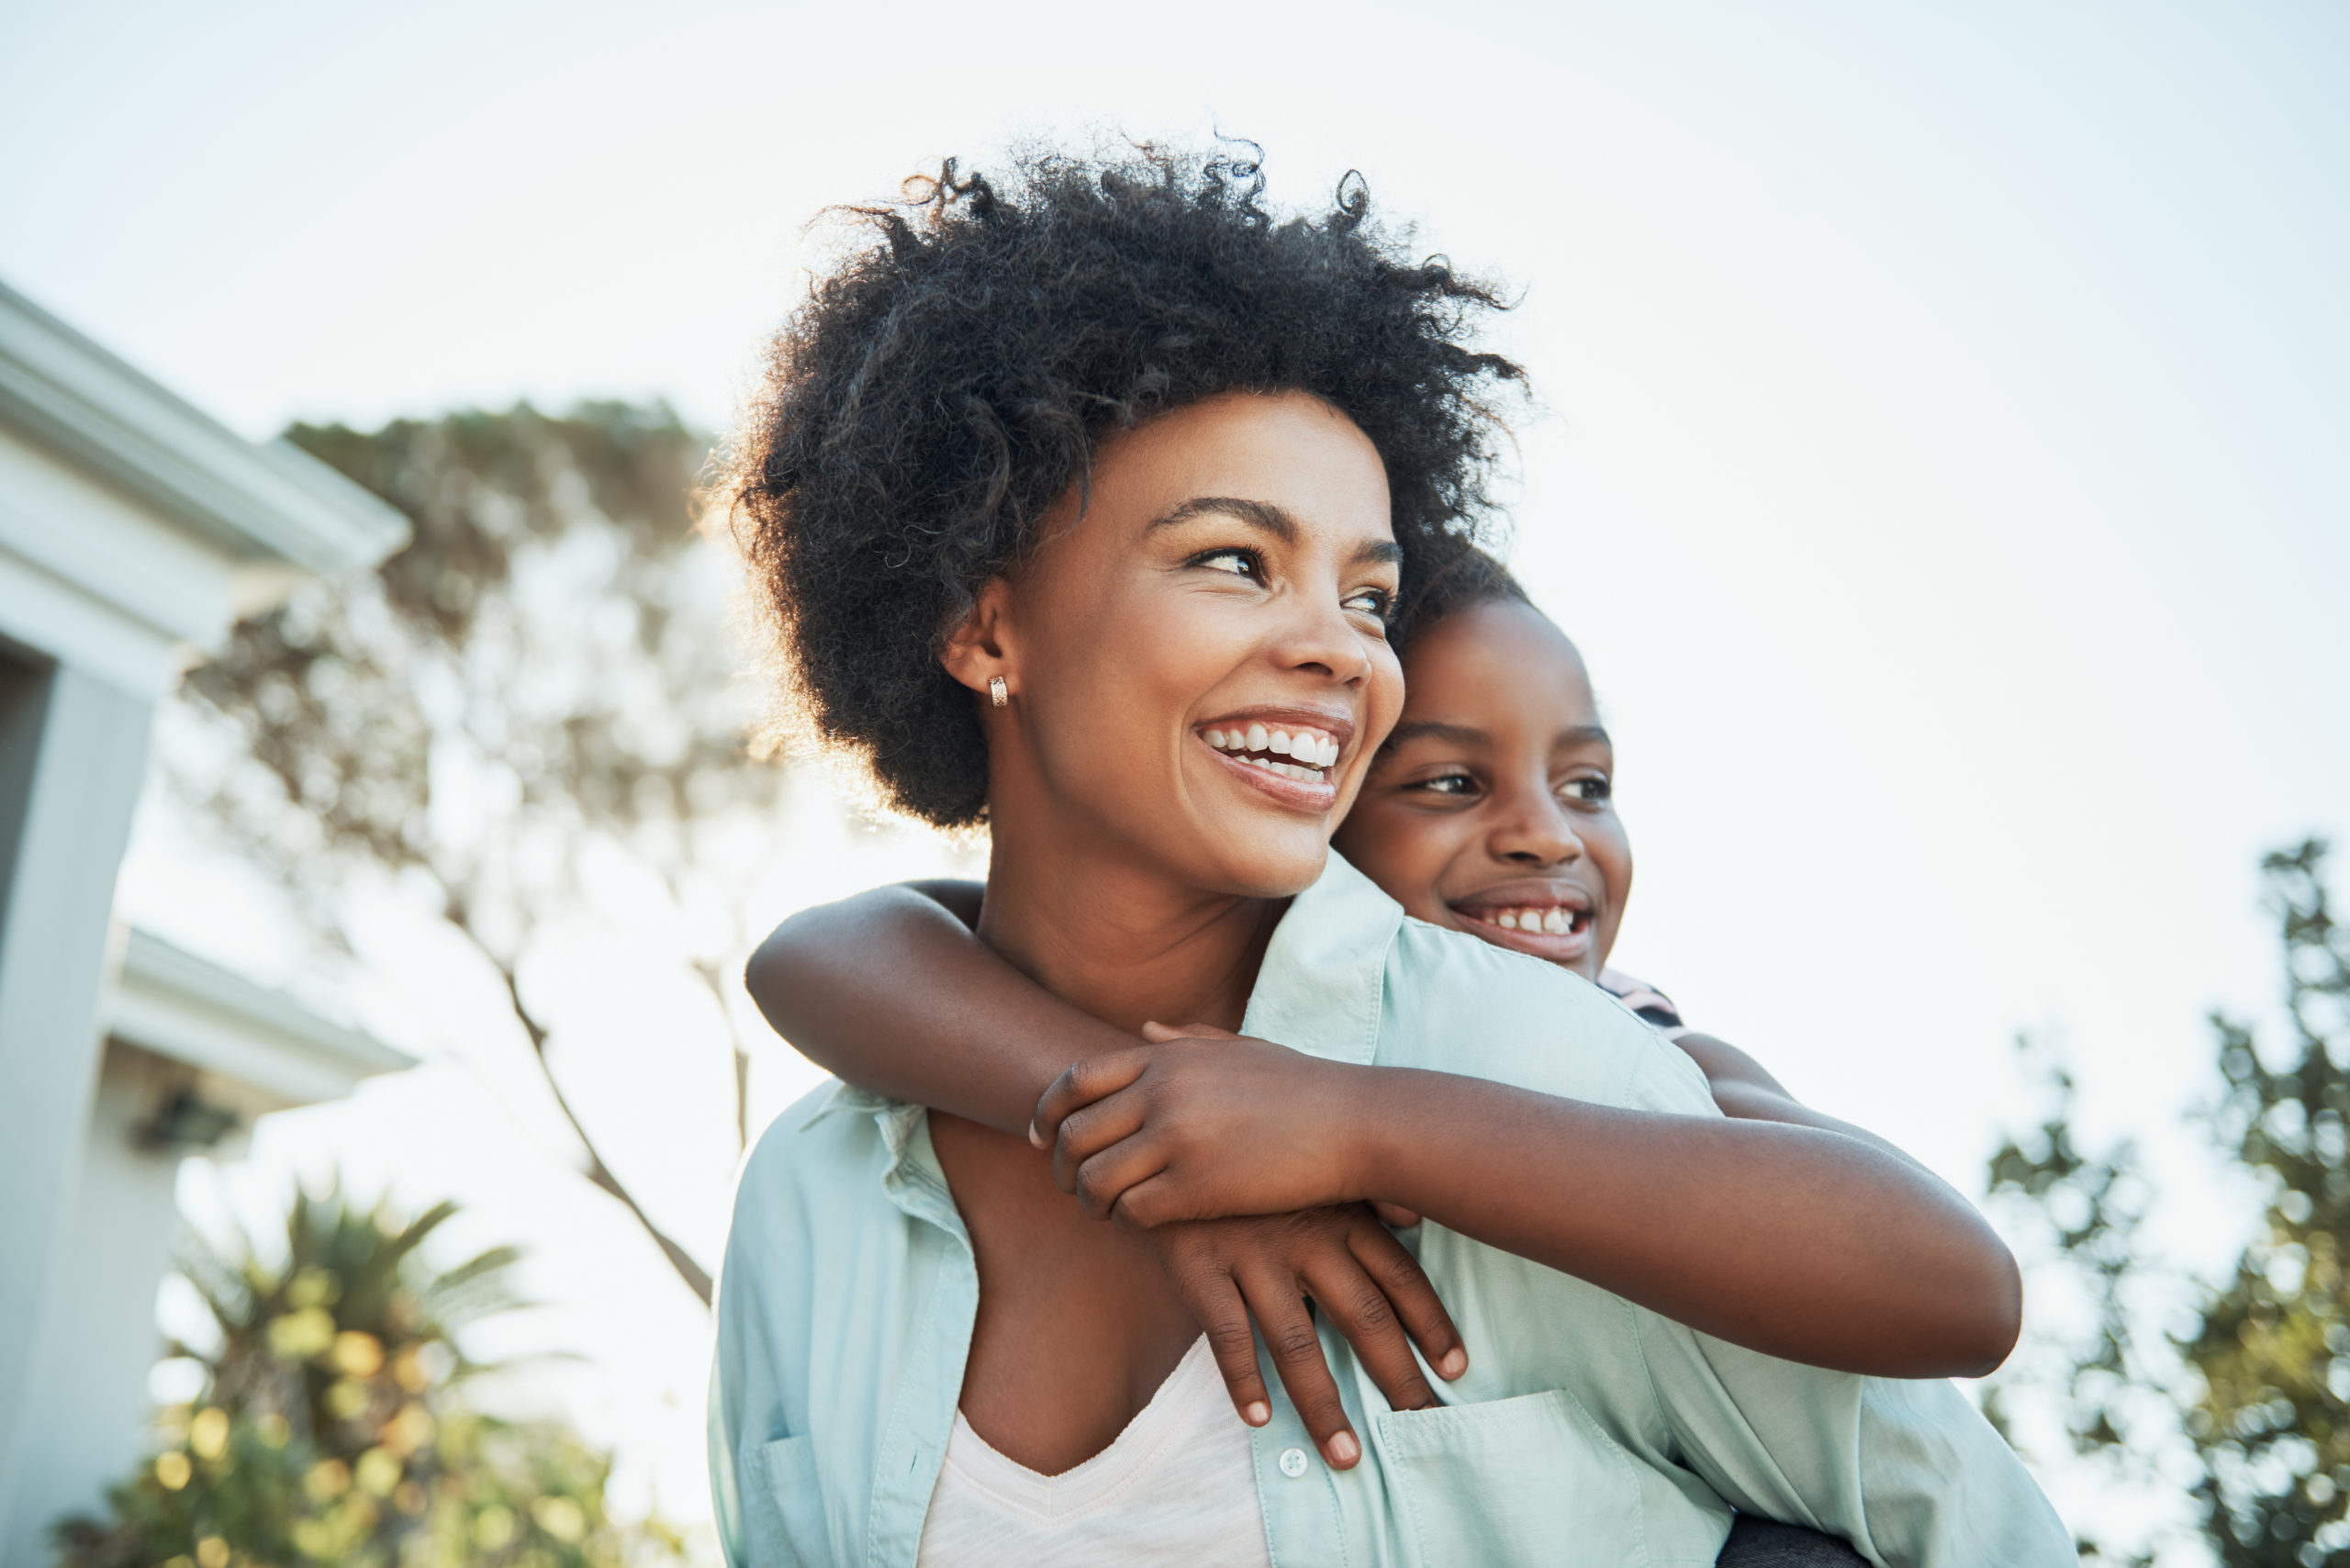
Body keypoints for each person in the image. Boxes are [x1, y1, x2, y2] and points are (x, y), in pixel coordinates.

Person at [711, 142, 2073, 1566]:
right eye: (1236, 559)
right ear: (984, 628)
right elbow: (823, 952)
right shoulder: (812, 1203)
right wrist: (1125, 1141)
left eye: (1370, 595)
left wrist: (1353, 1131)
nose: (1337, 649)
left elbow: (1971, 1495)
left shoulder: (1546, 1077)